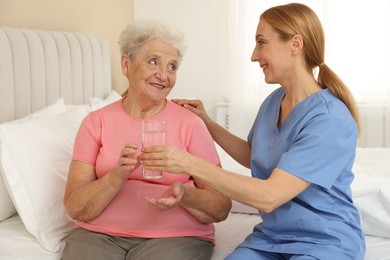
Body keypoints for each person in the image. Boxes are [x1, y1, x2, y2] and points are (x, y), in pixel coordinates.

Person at [139, 3, 365, 259]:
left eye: (261, 42)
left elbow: (269, 196)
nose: (254, 55)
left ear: (295, 44)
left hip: (324, 241)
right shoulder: (274, 101)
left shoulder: (329, 119)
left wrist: (188, 163)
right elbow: (254, 154)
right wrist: (207, 122)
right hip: (272, 239)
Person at [62, 20, 231, 260]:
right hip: (98, 236)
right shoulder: (95, 122)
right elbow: (74, 206)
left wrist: (185, 194)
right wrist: (116, 177)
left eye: (172, 67)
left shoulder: (191, 123)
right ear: (125, 64)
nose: (164, 75)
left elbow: (221, 207)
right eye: (154, 62)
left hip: (175, 237)